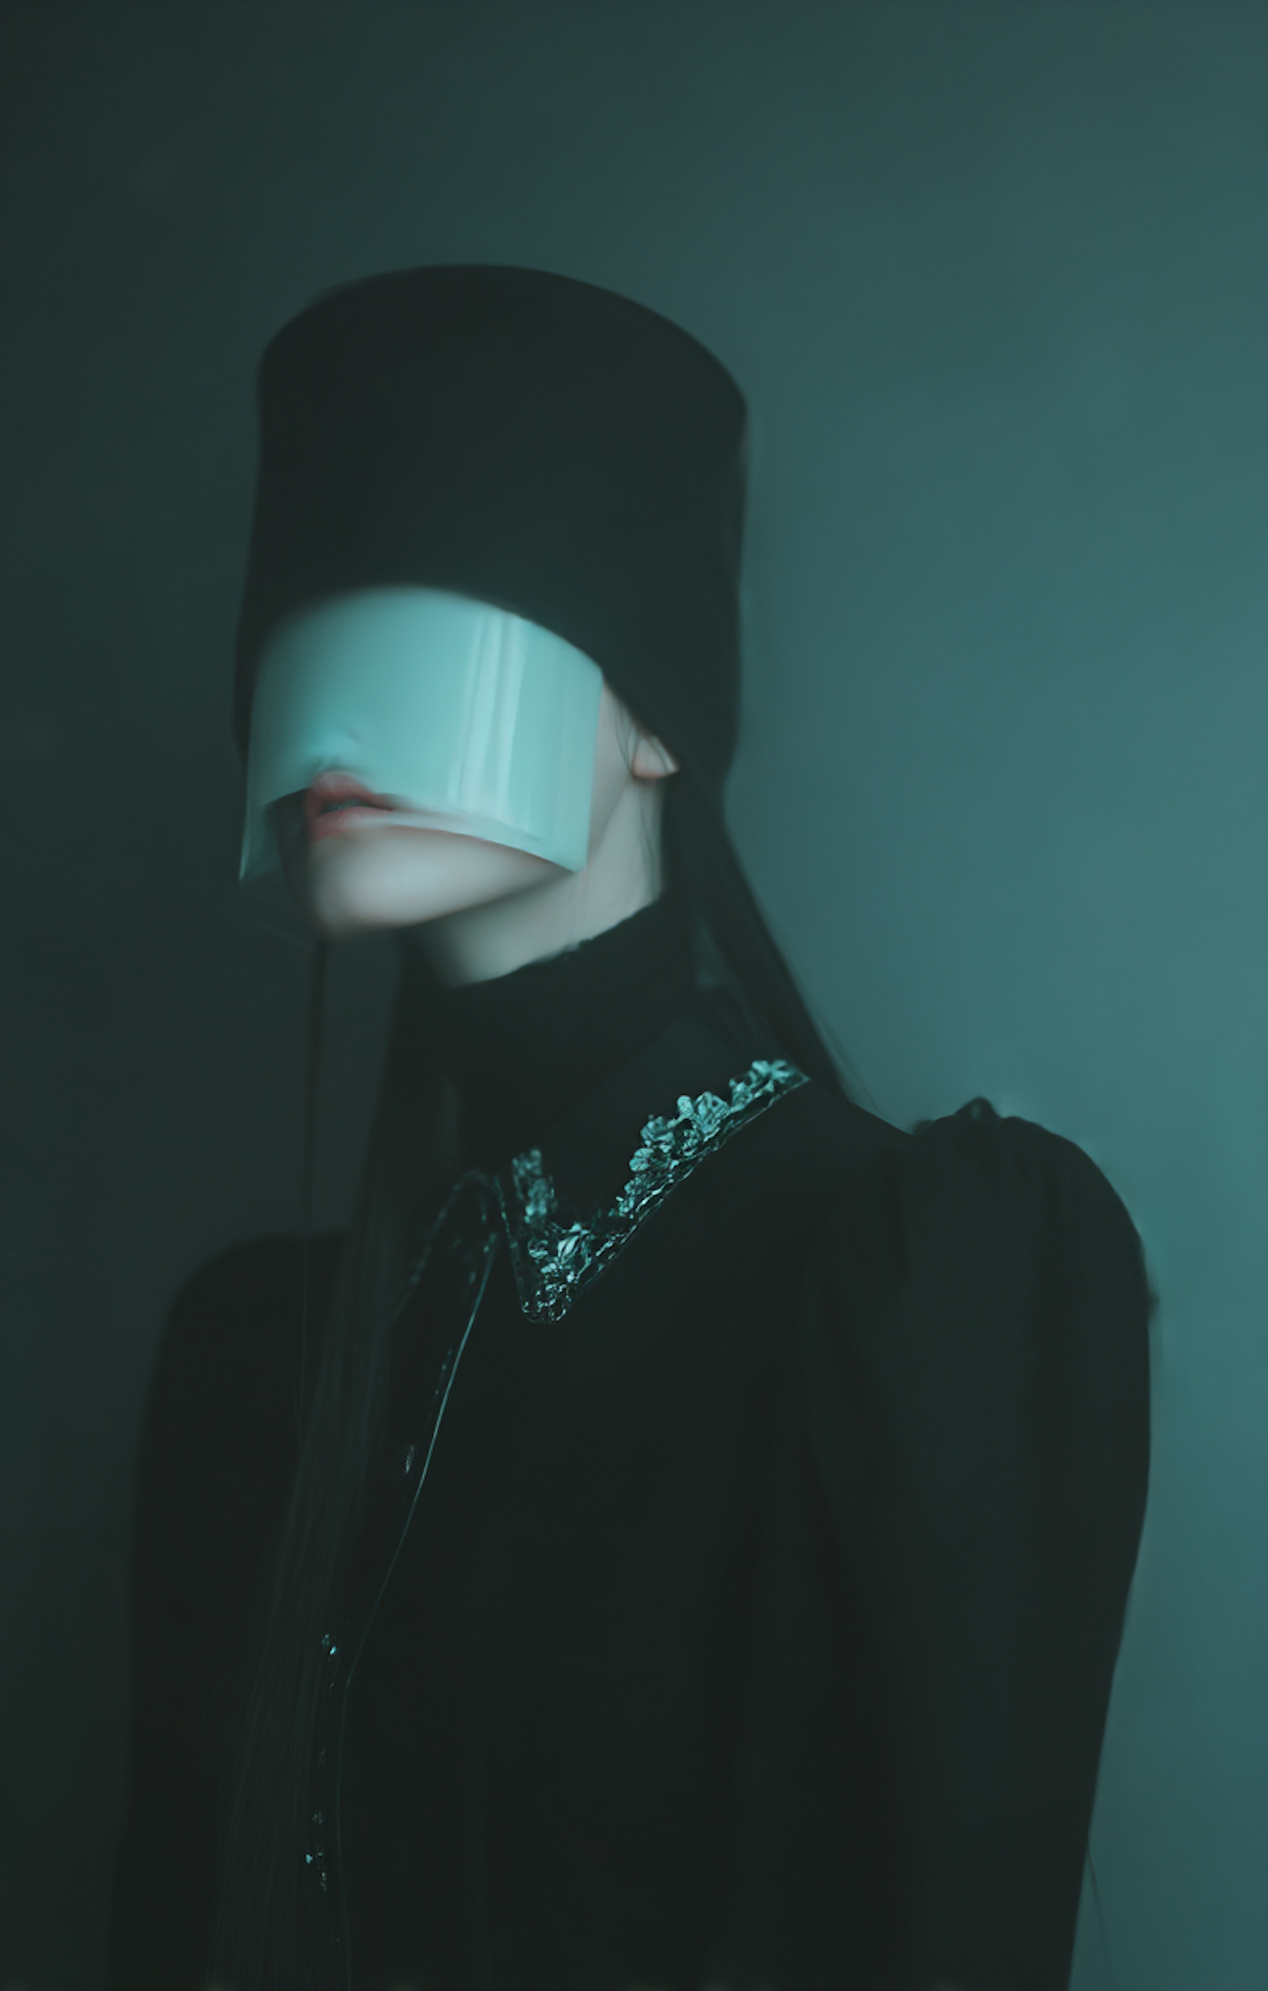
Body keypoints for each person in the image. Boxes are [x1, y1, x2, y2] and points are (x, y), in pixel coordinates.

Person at [106, 267, 1151, 1991]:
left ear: (657, 720)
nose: (341, 721)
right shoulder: (263, 1352)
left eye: (446, 607)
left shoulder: (907, 1281)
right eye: (305, 624)